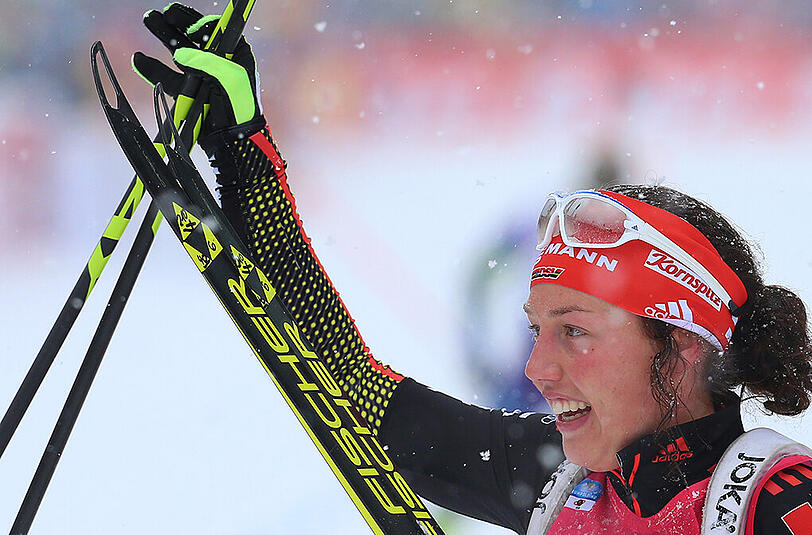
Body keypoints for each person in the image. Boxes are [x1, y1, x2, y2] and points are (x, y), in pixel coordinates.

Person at [132, 5, 812, 534]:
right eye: (538, 330)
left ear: (682, 343)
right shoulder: (558, 480)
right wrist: (242, 152)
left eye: (574, 331)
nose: (537, 369)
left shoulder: (777, 504)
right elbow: (346, 388)